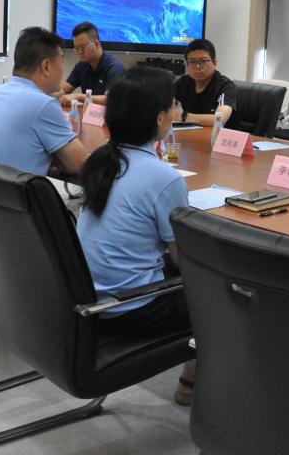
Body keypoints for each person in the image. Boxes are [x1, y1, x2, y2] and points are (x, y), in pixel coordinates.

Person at [75, 66, 195, 406]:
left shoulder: (100, 160)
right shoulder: (163, 178)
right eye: (172, 105)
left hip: (89, 297)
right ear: (159, 118)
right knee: (219, 292)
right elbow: (181, 260)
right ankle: (190, 385)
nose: (176, 110)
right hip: (131, 307)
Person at [0, 27, 88, 176]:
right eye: (62, 61)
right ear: (46, 66)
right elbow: (81, 164)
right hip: (15, 190)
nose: (63, 70)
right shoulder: (43, 104)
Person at [56, 22, 125, 107]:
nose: (79, 52)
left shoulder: (115, 67)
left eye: (82, 47)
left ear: (96, 44)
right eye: (76, 48)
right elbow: (63, 90)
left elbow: (110, 99)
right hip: (88, 114)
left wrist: (78, 97)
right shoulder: (81, 66)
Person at [173, 39, 235, 126]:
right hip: (192, 132)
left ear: (214, 63)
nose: (198, 66)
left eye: (203, 61)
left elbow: (219, 120)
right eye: (192, 62)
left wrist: (183, 116)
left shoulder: (225, 86)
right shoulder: (183, 82)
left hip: (220, 134)